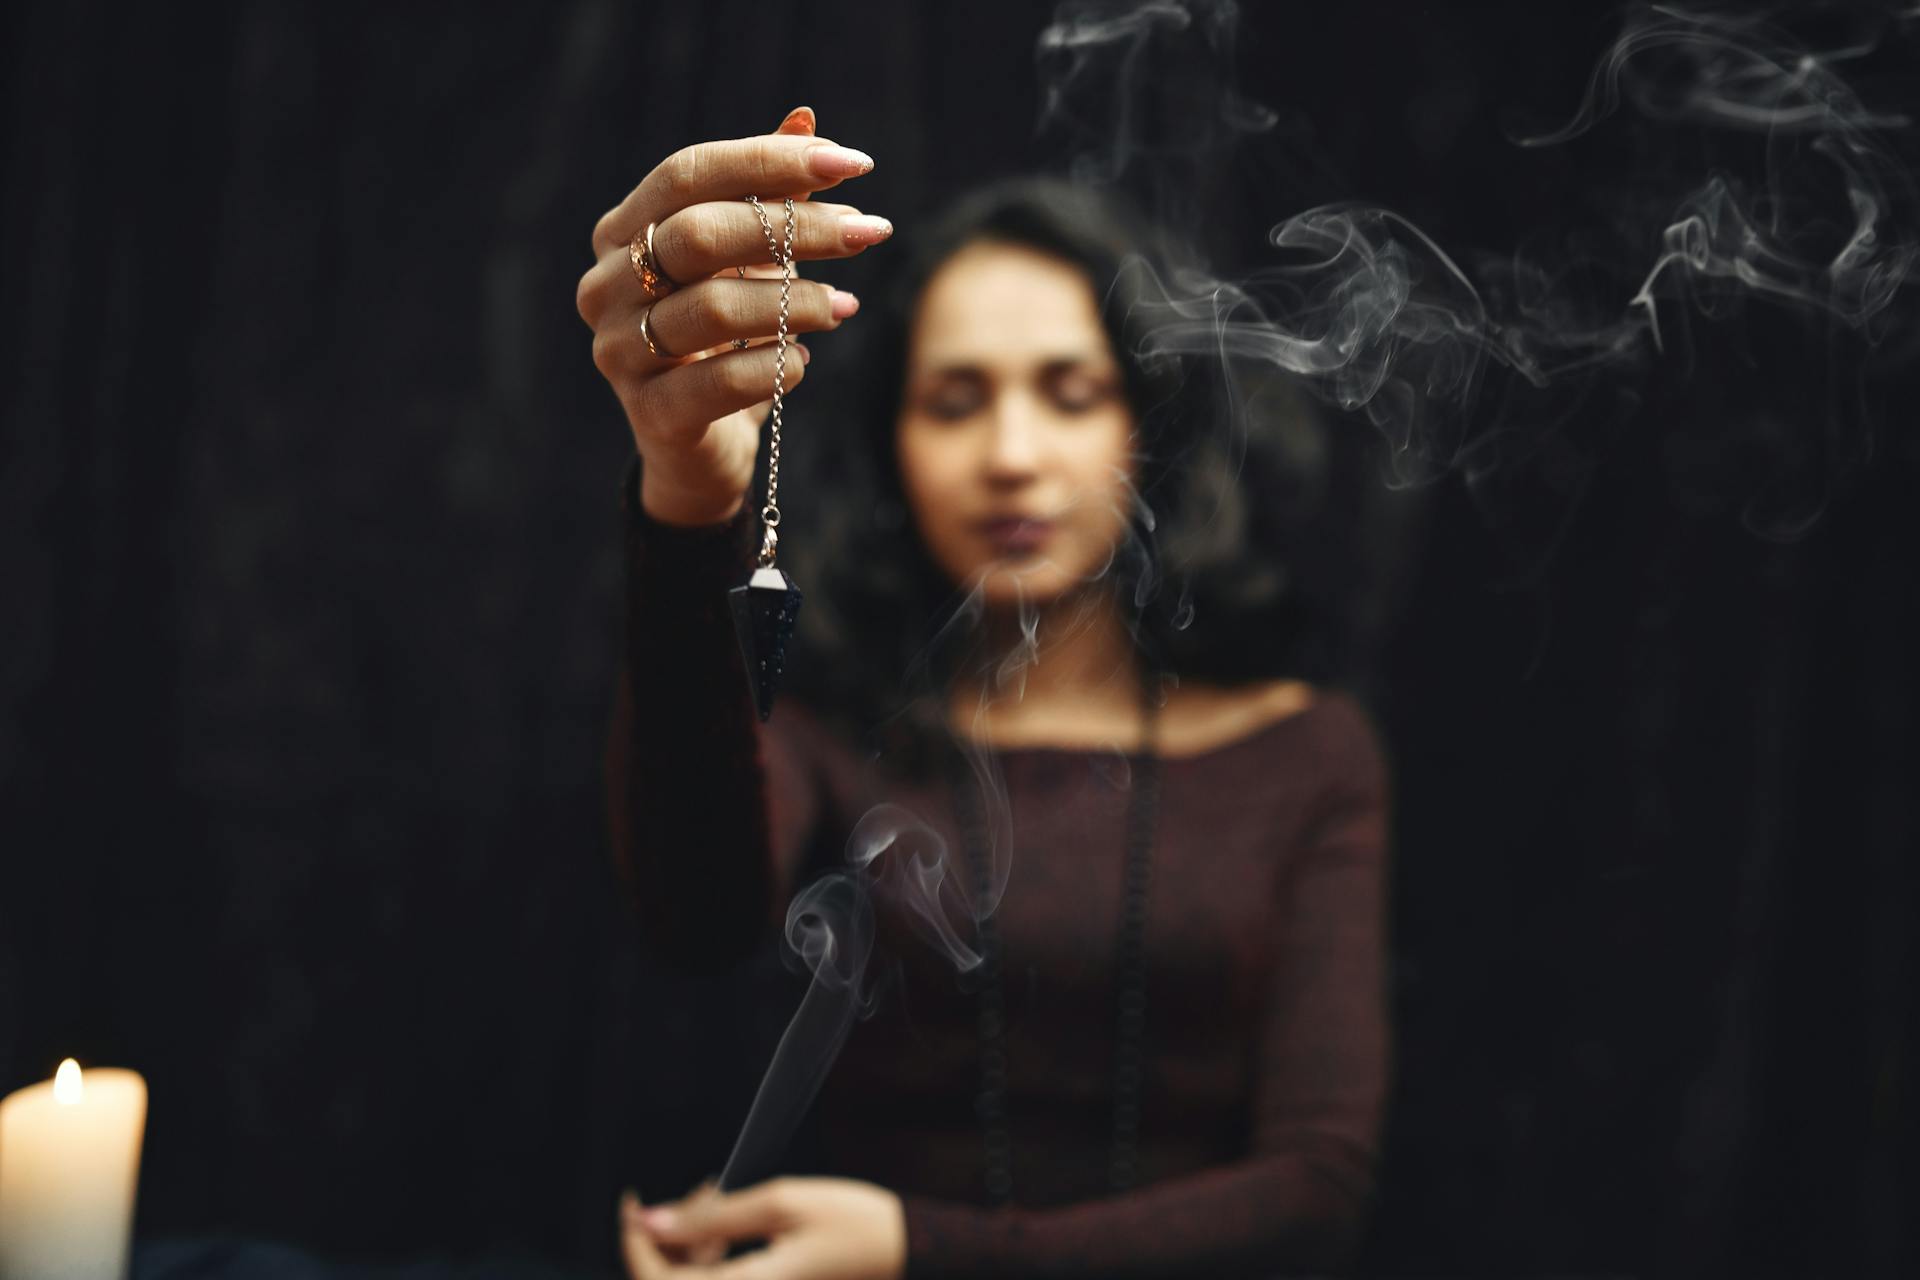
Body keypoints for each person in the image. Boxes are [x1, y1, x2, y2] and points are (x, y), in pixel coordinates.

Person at [575, 106, 1390, 1280]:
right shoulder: (833, 727)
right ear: (895, 442)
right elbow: (694, 916)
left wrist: (912, 1249)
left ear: (1144, 422)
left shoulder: (1306, 755)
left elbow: (1317, 1194)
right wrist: (688, 494)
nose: (1011, 451)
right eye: (955, 400)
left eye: (1068, 391)